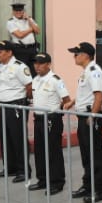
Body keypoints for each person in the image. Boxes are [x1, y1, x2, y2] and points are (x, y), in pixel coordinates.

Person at [68, 42, 102, 203]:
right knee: (86, 153)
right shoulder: (86, 72)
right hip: (84, 116)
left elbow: (98, 96)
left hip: (91, 117)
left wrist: (92, 115)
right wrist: (72, 102)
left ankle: (99, 190)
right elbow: (86, 93)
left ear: (86, 55)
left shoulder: (94, 72)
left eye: (76, 54)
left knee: (95, 154)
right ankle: (88, 185)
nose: (74, 57)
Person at [29, 52, 71, 195]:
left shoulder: (55, 80)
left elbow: (66, 100)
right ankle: (42, 180)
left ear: (48, 64)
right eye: (35, 63)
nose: (37, 66)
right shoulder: (35, 80)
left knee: (53, 151)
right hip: (39, 118)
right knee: (39, 150)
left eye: (40, 63)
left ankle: (57, 182)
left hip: (51, 119)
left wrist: (56, 112)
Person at [0, 40, 33, 183]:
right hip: (4, 106)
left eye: (0, 52)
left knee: (18, 137)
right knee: (6, 136)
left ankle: (23, 170)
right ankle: (10, 167)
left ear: (9, 52)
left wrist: (24, 101)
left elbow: (29, 86)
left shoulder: (19, 67)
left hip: (16, 106)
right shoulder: (1, 66)